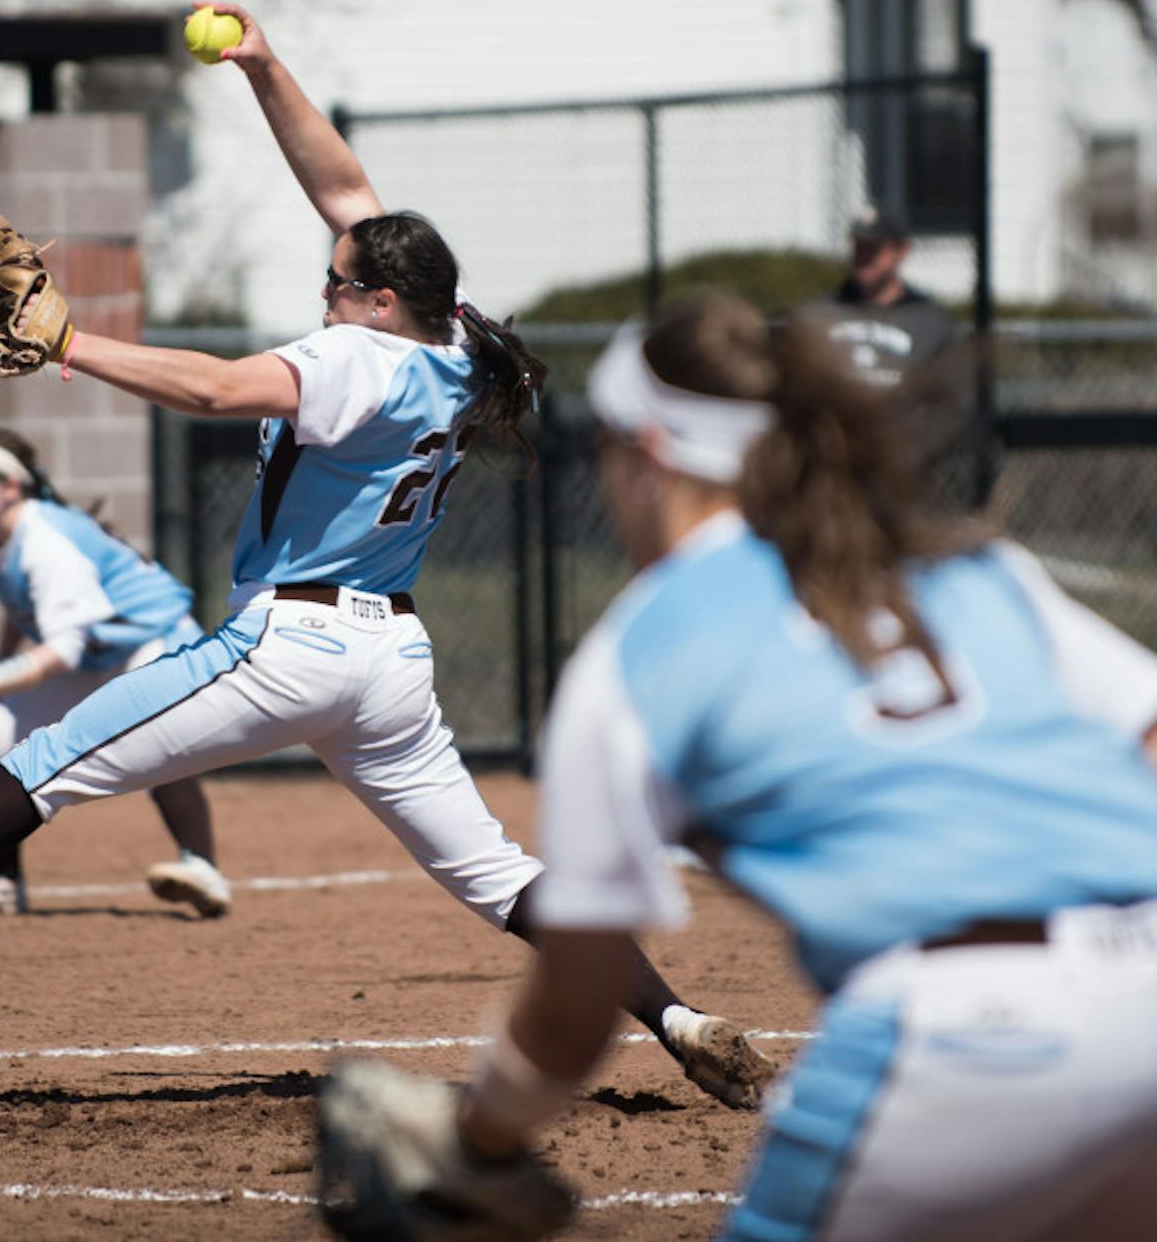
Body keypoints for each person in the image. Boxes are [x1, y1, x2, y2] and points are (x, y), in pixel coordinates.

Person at [0, 3, 773, 1111]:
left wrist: (66, 340)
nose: (323, 290)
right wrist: (261, 67)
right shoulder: (453, 340)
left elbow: (211, 388)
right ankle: (677, 1017)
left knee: (55, 754)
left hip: (291, 639)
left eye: (337, 283)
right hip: (388, 658)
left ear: (378, 300)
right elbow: (349, 194)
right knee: (494, 871)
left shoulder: (360, 356)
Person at [314, 294, 1157, 1242]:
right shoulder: (968, 567)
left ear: (653, 454)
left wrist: (481, 1140)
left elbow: (579, 998)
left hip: (960, 1038)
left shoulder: (638, 654)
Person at [0, 425, 229, 919]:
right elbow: (23, 610)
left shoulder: (45, 539)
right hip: (96, 651)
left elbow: (62, 651)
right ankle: (2, 881)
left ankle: (203, 867)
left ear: (10, 487)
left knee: (159, 744)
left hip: (151, 640)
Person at [806, 205, 977, 507]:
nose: (864, 257)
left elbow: (953, 403)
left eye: (874, 249)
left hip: (904, 480)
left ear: (901, 251)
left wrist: (911, 451)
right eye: (858, 247)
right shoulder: (819, 315)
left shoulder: (931, 323)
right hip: (832, 475)